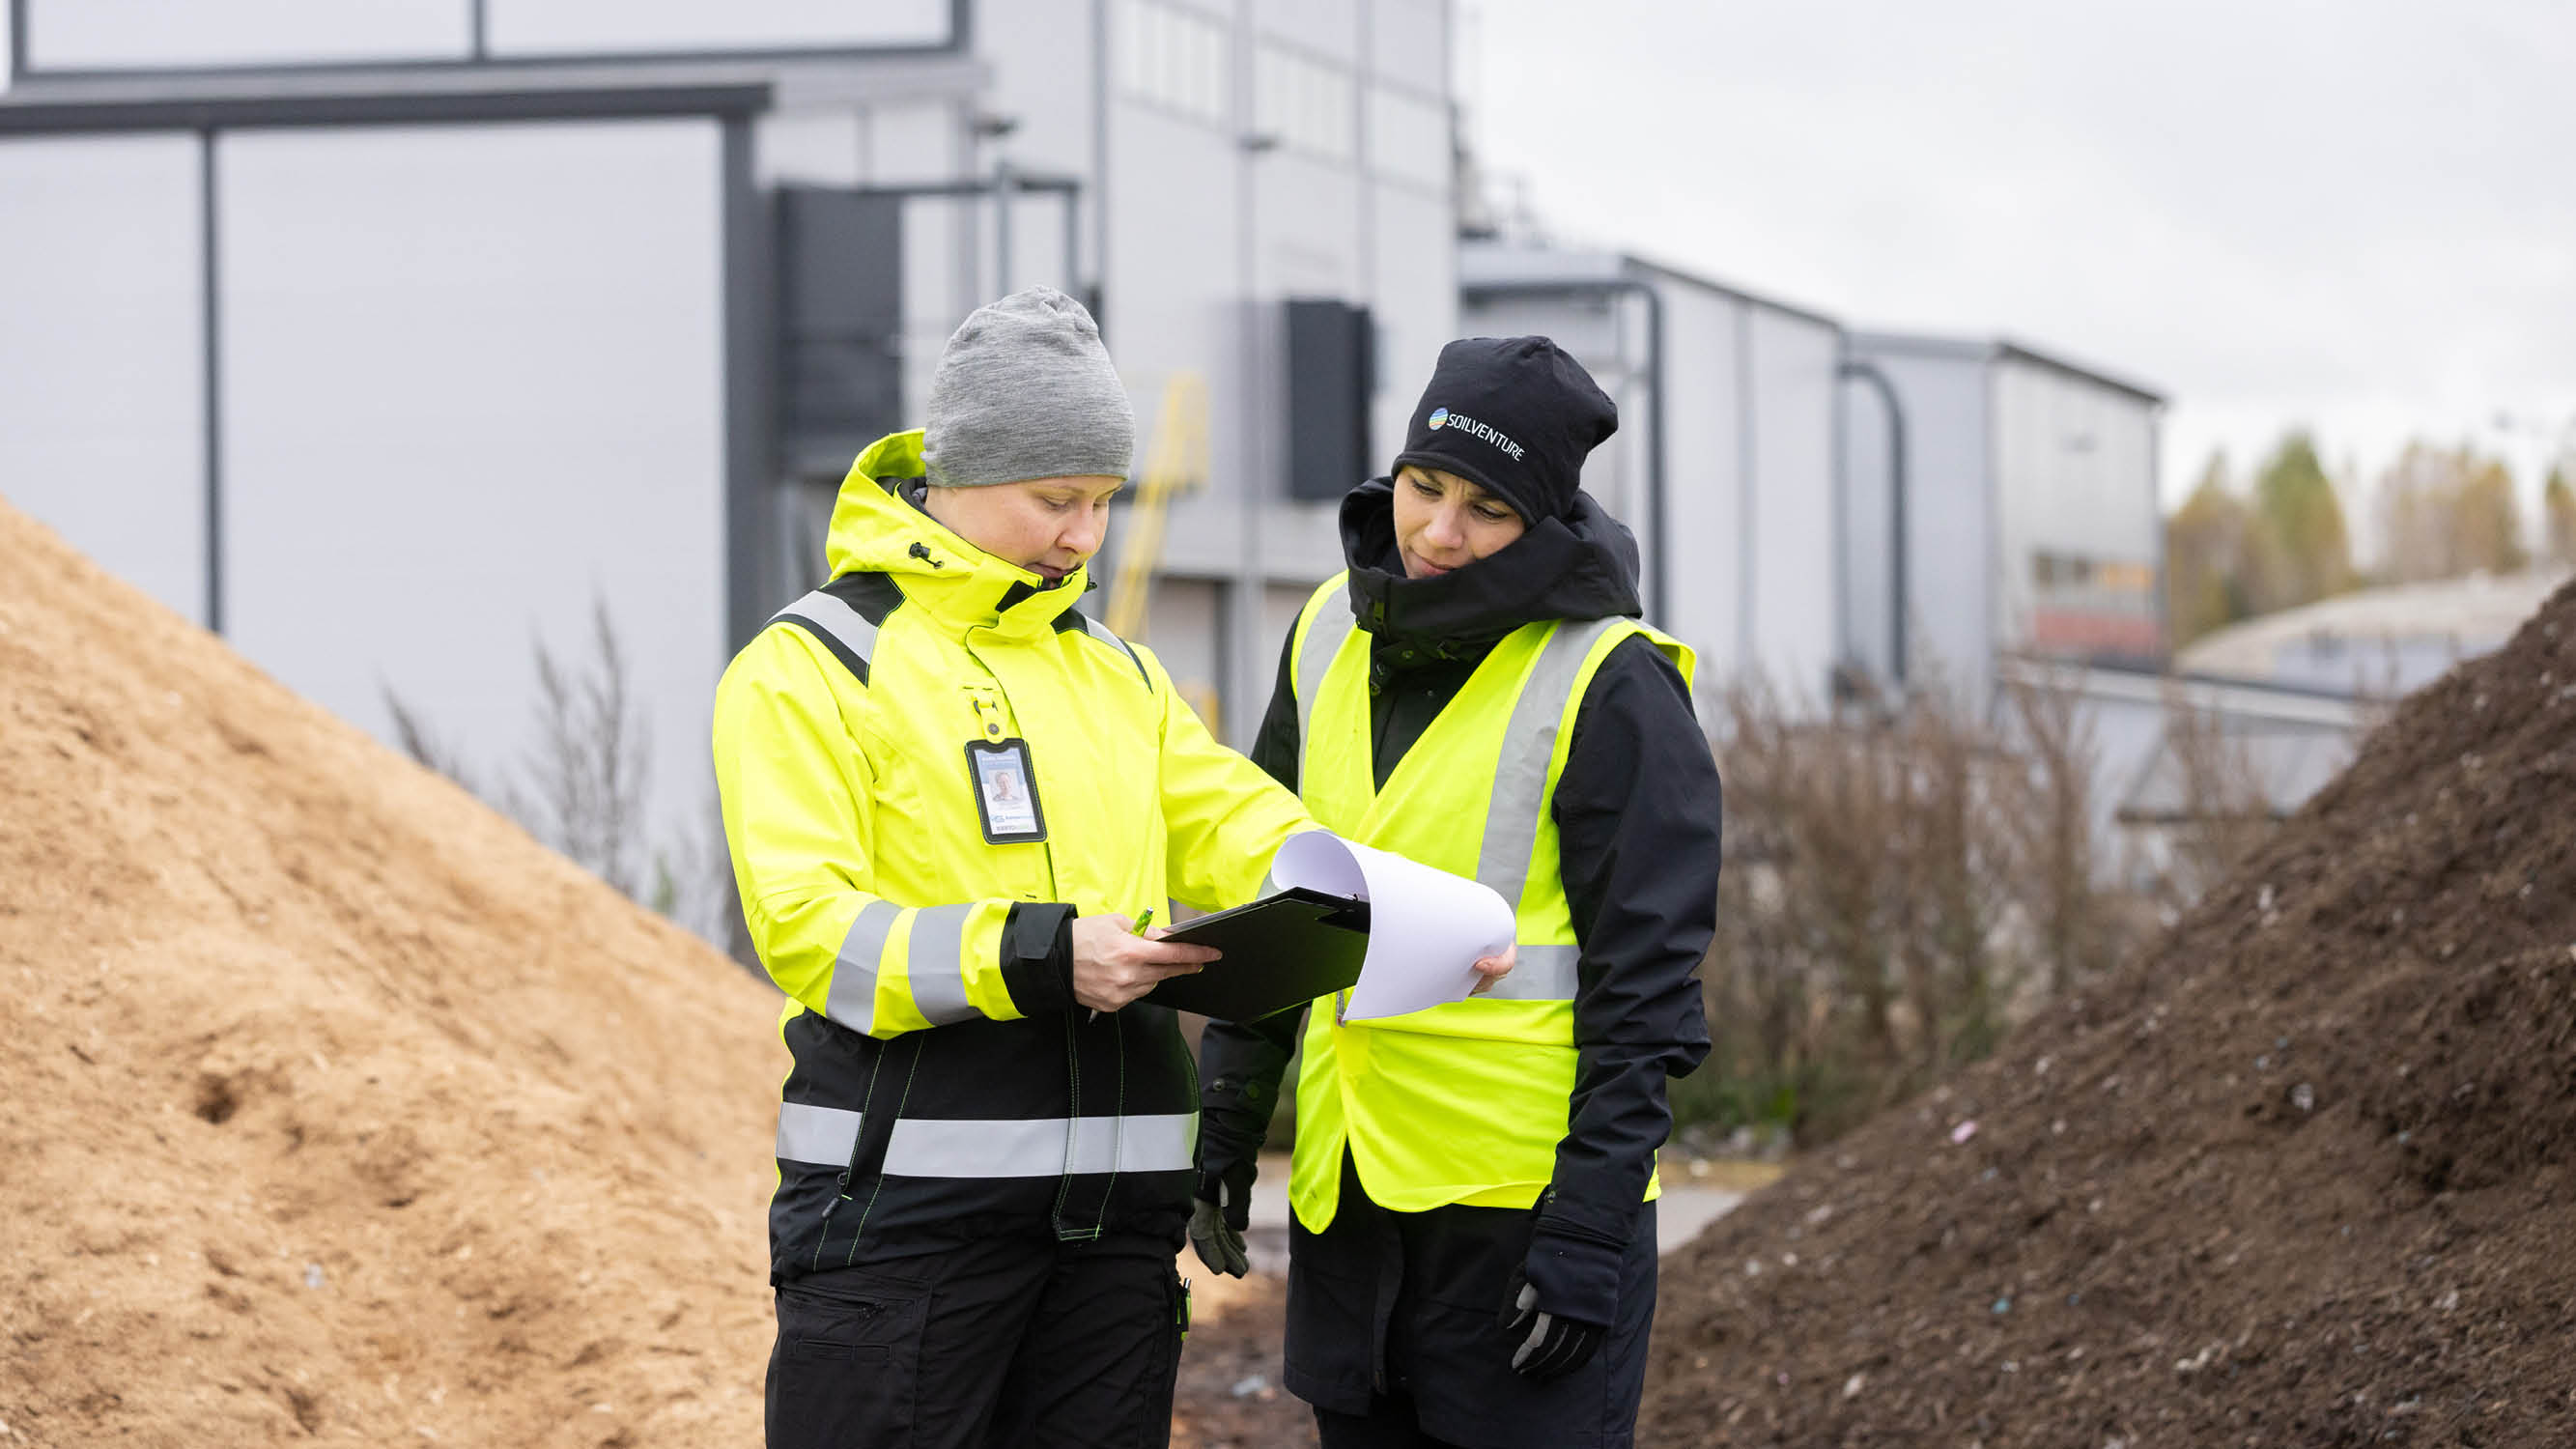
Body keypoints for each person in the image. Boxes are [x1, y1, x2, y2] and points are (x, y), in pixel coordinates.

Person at [714, 286, 1330, 1448]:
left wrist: (1351, 887)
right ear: (959, 474)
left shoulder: (1120, 676)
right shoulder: (814, 668)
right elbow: (807, 929)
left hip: (1113, 1250)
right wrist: (1040, 956)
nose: (1085, 537)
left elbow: (1234, 818)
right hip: (901, 1237)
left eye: (1104, 502)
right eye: (1057, 500)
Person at [1191, 336, 1723, 1448]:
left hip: (1520, 1216)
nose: (1438, 531)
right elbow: (1280, 896)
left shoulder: (1610, 678)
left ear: (1544, 518)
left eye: (1487, 508)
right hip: (1349, 1196)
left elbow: (1647, 987)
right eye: (1424, 486)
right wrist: (1227, 1121)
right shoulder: (1325, 632)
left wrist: (1589, 1228)